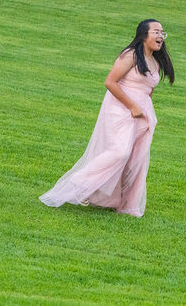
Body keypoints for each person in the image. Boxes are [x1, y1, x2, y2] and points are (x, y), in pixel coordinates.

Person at [40, 19, 174, 217]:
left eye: (162, 32)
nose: (161, 36)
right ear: (143, 35)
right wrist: (132, 106)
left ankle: (125, 205)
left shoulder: (155, 62)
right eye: (156, 32)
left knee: (136, 160)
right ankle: (78, 185)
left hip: (143, 115)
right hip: (120, 109)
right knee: (119, 152)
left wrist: (145, 113)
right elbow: (110, 82)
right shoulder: (130, 55)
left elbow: (148, 91)